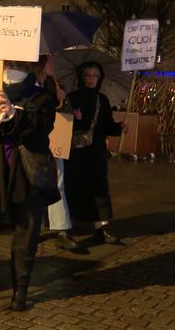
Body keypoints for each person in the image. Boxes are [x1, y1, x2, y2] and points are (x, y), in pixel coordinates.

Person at [0, 60, 59, 311]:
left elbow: (40, 128)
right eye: (7, 62)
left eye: (19, 62)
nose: (12, 66)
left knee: (26, 235)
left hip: (28, 175)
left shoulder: (42, 97)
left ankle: (20, 290)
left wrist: (12, 114)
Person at [63, 61, 126, 244]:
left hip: (96, 152)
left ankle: (102, 227)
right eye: (88, 75)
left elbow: (106, 125)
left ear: (99, 78)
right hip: (76, 153)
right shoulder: (71, 97)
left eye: (95, 76)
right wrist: (74, 119)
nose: (91, 79)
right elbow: (62, 125)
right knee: (74, 188)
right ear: (81, 77)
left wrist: (119, 128)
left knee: (100, 188)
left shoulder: (102, 99)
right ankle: (73, 224)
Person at [32, 56, 79, 251]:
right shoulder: (31, 85)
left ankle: (61, 229)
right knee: (34, 185)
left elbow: (64, 113)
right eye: (49, 62)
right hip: (35, 143)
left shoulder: (55, 85)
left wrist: (63, 101)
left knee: (58, 183)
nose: (53, 65)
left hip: (54, 141)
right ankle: (33, 227)